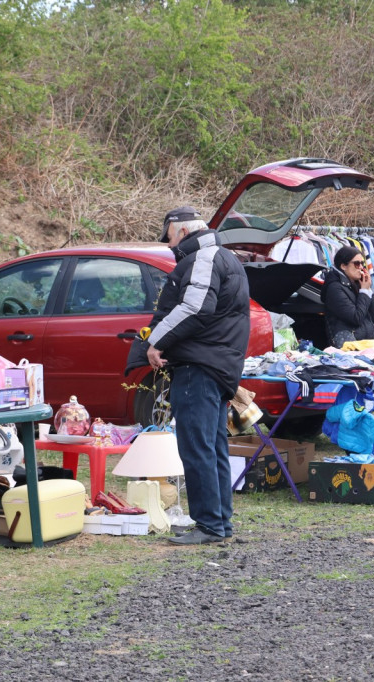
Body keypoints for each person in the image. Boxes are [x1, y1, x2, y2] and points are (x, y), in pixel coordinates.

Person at [146, 206, 250, 545]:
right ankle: (220, 523)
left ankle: (209, 525)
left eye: (170, 238)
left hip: (199, 367)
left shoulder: (204, 258)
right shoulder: (226, 258)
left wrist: (156, 340)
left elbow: (194, 307)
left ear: (182, 231)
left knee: (197, 448)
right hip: (216, 366)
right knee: (213, 446)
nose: (170, 246)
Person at [322, 245, 374, 347]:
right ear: (343, 266)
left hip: (367, 343)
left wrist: (368, 289)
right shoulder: (334, 288)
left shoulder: (358, 284)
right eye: (357, 264)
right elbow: (356, 318)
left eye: (362, 263)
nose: (361, 267)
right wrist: (364, 292)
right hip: (349, 346)